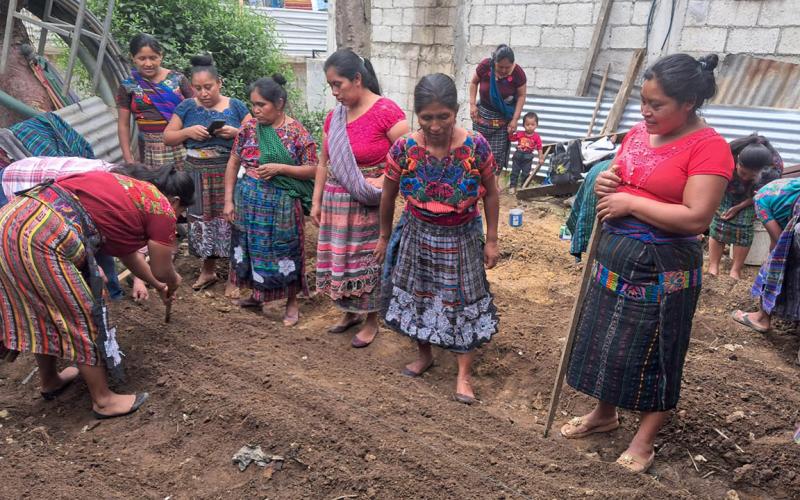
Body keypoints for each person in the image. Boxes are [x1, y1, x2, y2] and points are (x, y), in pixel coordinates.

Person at [561, 54, 734, 473]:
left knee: (655, 351)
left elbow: (696, 217)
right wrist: (604, 181)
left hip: (664, 267)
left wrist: (630, 202)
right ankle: (604, 414)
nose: (645, 112)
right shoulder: (638, 133)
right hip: (616, 257)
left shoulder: (710, 149)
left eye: (658, 105)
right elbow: (618, 176)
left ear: (689, 102)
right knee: (608, 343)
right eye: (643, 100)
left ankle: (644, 440)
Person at [0, 164, 193, 418]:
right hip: (42, 235)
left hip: (12, 219)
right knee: (82, 313)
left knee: (40, 310)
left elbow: (126, 253)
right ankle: (103, 400)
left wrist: (157, 285)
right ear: (175, 200)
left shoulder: (127, 189)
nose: (177, 217)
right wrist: (172, 279)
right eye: (181, 212)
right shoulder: (161, 206)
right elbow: (162, 268)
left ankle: (50, 380)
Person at [376, 73, 500, 404]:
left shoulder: (476, 145)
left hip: (461, 236)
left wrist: (492, 239)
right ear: (417, 115)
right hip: (417, 233)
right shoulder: (404, 148)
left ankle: (463, 375)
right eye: (427, 117)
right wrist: (384, 236)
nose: (435, 125)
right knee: (419, 295)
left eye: (442, 117)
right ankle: (425, 354)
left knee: (463, 300)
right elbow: (387, 195)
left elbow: (491, 194)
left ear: (456, 111)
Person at [311, 49, 409, 347]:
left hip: (369, 204)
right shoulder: (334, 118)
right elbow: (324, 162)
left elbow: (410, 156)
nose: (334, 92)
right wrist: (316, 201)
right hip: (336, 201)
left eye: (338, 84)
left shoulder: (386, 111)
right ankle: (348, 312)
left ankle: (370, 319)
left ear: (357, 78)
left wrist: (382, 179)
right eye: (330, 86)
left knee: (367, 259)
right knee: (342, 258)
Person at [223, 75, 317, 326]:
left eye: (261, 105)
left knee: (284, 250)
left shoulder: (296, 132)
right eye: (253, 104)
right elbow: (233, 163)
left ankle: (291, 303)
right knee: (252, 249)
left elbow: (314, 169)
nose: (255, 110)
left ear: (280, 104)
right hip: (248, 201)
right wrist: (228, 201)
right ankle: (257, 295)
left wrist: (279, 168)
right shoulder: (248, 129)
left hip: (282, 204)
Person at [164, 55, 251, 293]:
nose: (203, 93)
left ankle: (235, 276)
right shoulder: (187, 107)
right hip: (196, 174)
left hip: (227, 172)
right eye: (198, 88)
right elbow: (167, 136)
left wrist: (236, 132)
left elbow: (255, 134)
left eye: (208, 87)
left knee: (231, 220)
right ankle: (208, 269)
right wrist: (188, 131)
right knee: (202, 221)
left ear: (219, 83)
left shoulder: (235, 106)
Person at [0, 156, 124, 299]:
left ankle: (114, 295)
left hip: (41, 180)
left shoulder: (117, 181)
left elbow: (102, 233)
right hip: (13, 183)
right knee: (29, 253)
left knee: (100, 240)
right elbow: (66, 230)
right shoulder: (100, 186)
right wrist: (89, 266)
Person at [732, 180, 800, 337]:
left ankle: (762, 318)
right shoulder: (791, 184)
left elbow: (777, 241)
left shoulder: (761, 198)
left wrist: (769, 262)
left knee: (777, 261)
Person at [707, 136, 780, 279]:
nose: (746, 178)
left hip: (751, 195)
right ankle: (713, 266)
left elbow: (763, 194)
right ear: (737, 161)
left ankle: (735, 270)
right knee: (718, 222)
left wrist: (739, 207)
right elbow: (714, 177)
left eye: (752, 175)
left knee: (744, 227)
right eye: (743, 173)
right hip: (727, 187)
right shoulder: (727, 155)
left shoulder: (773, 169)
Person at [116, 33, 193, 169]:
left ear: (161, 56)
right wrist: (129, 160)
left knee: (185, 186)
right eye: (142, 58)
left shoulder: (178, 79)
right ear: (133, 58)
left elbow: (195, 111)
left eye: (153, 58)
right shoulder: (128, 86)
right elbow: (124, 125)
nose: (148, 63)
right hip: (149, 151)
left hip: (182, 145)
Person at [469, 44, 527, 176]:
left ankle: (492, 186)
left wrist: (515, 120)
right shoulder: (485, 66)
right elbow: (473, 83)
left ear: (513, 64)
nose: (504, 70)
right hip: (482, 116)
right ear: (494, 62)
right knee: (477, 151)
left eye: (508, 67)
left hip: (502, 120)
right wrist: (472, 105)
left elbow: (522, 96)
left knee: (496, 156)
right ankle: (475, 182)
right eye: (500, 67)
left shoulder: (518, 73)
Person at [754, 178, 800, 248]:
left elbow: (779, 240)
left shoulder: (759, 197)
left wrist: (770, 257)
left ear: (755, 192)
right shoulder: (788, 181)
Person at [508, 111, 542, 194]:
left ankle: (523, 187)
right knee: (515, 172)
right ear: (524, 125)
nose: (530, 127)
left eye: (532, 124)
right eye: (527, 124)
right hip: (518, 155)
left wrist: (541, 157)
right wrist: (510, 132)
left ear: (536, 125)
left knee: (526, 173)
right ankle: (512, 186)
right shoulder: (520, 134)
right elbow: (512, 139)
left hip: (528, 157)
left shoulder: (536, 137)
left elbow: (539, 147)